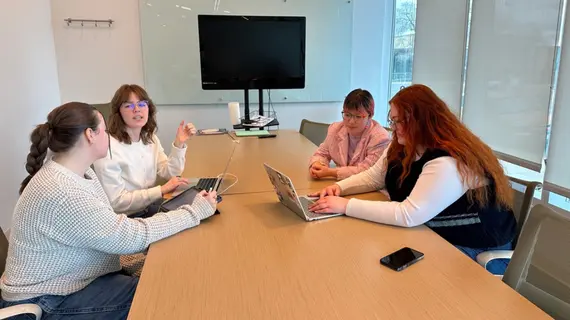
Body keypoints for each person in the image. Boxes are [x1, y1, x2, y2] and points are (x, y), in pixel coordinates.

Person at [0, 102, 217, 319]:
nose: (108, 135)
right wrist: (193, 212)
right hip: (47, 300)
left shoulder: (80, 173)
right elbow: (130, 237)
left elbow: (110, 232)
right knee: (160, 293)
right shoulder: (63, 190)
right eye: (104, 130)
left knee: (165, 268)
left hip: (72, 280)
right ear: (90, 135)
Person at [309, 84, 517, 275]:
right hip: (429, 231)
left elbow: (408, 214)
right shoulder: (401, 144)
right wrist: (338, 188)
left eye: (400, 121)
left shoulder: (448, 161)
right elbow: (374, 177)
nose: (394, 126)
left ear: (424, 121)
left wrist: (345, 206)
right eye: (393, 120)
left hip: (474, 244)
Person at [93, 84, 197, 217]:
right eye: (128, 106)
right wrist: (161, 190)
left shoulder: (149, 137)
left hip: (151, 206)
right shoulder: (106, 147)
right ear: (118, 113)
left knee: (201, 206)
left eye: (142, 104)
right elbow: (117, 202)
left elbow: (170, 173)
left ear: (149, 109)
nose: (136, 109)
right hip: (128, 218)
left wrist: (179, 143)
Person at [309, 89, 391, 180]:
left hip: (368, 188)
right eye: (347, 115)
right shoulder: (335, 129)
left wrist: (330, 172)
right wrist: (317, 164)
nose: (351, 122)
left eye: (358, 116)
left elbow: (367, 171)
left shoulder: (380, 138)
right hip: (340, 184)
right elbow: (322, 153)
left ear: (370, 116)